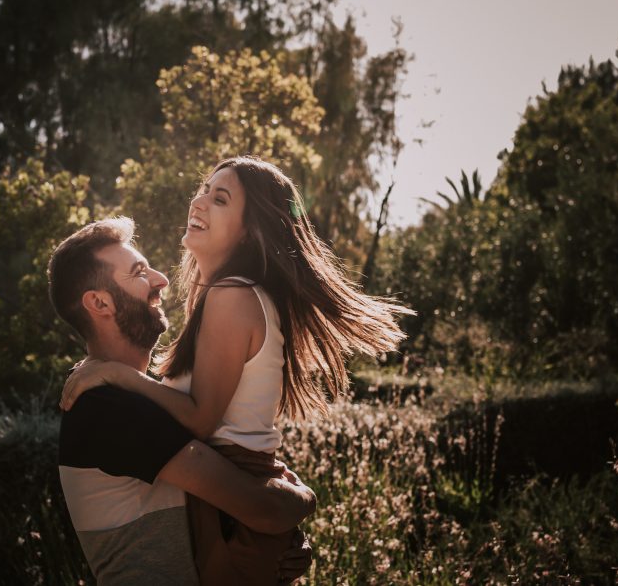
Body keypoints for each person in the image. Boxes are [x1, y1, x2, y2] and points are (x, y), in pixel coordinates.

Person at [62, 156, 412, 584]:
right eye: (205, 189)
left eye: (220, 197)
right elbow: (256, 494)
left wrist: (283, 513)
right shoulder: (112, 405)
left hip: (233, 511)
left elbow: (203, 421)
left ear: (249, 230)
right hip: (235, 509)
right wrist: (290, 505)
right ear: (99, 303)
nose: (200, 201)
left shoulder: (230, 297)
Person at [47, 217, 316, 586]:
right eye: (139, 272)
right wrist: (304, 498)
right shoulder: (109, 408)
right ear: (100, 302)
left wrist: (280, 546)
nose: (161, 279)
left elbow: (235, 503)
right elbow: (265, 509)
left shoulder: (139, 397)